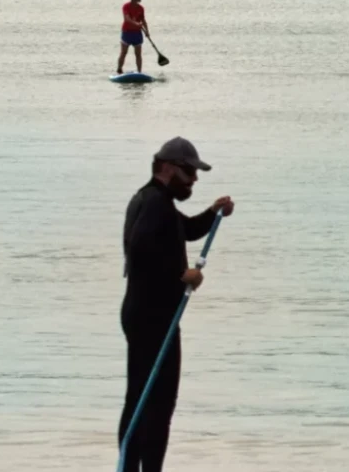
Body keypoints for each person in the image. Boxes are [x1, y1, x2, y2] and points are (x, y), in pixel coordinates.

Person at [118, 136, 235, 472]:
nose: (194, 180)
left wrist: (213, 214)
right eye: (189, 172)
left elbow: (183, 230)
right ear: (168, 168)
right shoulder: (154, 203)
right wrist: (180, 275)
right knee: (157, 403)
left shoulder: (153, 200)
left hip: (144, 314)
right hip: (152, 317)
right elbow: (139, 251)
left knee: (141, 398)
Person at [117, 0, 149, 75]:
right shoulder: (126, 6)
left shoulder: (141, 8)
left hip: (137, 33)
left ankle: (139, 72)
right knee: (124, 52)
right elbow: (126, 19)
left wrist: (147, 31)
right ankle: (119, 69)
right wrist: (136, 24)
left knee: (138, 54)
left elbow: (143, 20)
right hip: (127, 32)